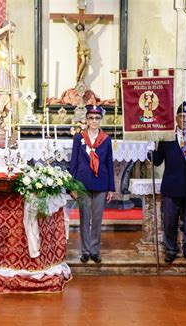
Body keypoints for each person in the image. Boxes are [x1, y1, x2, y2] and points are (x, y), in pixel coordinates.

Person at [151, 101, 186, 264]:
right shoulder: (167, 138)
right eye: (181, 116)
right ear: (176, 118)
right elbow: (157, 161)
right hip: (172, 186)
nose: (185, 119)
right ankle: (170, 249)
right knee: (170, 220)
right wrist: (150, 148)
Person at [69, 105, 115, 263]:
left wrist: (111, 188)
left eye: (97, 118)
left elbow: (109, 163)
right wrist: (72, 186)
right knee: (84, 217)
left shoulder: (106, 140)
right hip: (83, 184)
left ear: (101, 120)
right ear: (86, 120)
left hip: (101, 183)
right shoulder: (78, 138)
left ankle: (95, 251)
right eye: (91, 118)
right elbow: (73, 163)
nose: (94, 121)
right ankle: (85, 251)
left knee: (97, 219)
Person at [63, 15, 103, 84]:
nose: (79, 26)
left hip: (87, 48)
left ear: (82, 26)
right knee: (83, 61)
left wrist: (98, 18)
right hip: (81, 48)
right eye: (78, 26)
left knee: (87, 62)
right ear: (77, 28)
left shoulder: (86, 31)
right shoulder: (77, 32)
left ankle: (81, 78)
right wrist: (64, 18)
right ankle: (78, 75)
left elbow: (93, 25)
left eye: (80, 26)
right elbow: (69, 25)